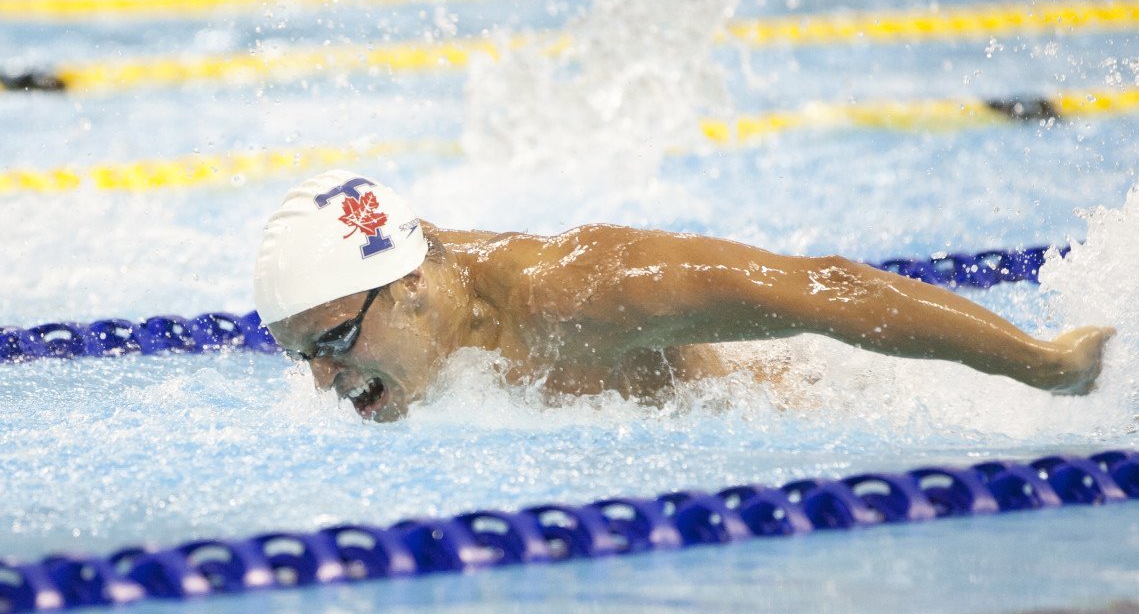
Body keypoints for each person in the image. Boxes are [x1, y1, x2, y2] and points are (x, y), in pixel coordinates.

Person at [255, 170, 1114, 422]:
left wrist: (1047, 367)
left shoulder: (581, 295)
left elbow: (830, 290)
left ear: (407, 287)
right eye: (302, 357)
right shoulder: (404, 296)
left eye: (330, 350)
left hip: (807, 413)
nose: (324, 386)